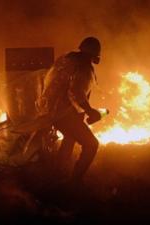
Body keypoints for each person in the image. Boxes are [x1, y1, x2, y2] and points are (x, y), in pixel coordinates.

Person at [36, 37, 102, 183]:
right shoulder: (83, 66)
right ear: (95, 55)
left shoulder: (65, 60)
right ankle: (75, 182)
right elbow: (76, 92)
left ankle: (57, 175)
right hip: (64, 114)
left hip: (50, 110)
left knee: (70, 138)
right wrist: (90, 111)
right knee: (91, 144)